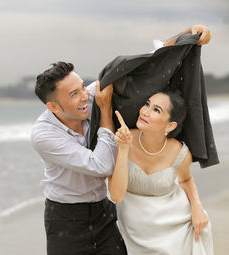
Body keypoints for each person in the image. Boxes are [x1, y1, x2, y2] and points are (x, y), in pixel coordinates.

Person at [31, 24, 211, 255]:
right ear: (53, 106)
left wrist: (188, 36)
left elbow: (144, 67)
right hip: (66, 219)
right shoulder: (44, 135)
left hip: (104, 214)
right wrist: (105, 111)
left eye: (81, 88)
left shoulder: (88, 97)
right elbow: (101, 165)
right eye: (74, 94)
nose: (85, 96)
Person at [109, 91, 213, 254]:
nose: (145, 111)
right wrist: (123, 148)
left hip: (171, 221)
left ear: (170, 125)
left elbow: (186, 180)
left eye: (156, 110)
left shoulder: (180, 152)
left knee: (201, 226)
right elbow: (116, 196)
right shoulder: (122, 139)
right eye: (147, 104)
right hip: (132, 225)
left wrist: (197, 207)